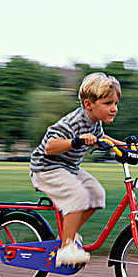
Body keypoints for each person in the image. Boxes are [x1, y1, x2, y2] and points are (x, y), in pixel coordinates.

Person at [30, 72, 124, 266]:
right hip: (46, 168)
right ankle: (67, 247)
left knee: (97, 194)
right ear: (89, 104)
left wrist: (124, 145)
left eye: (115, 103)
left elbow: (103, 139)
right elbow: (50, 146)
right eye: (108, 104)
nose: (114, 109)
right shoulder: (72, 122)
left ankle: (67, 236)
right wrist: (76, 141)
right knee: (78, 195)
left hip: (69, 168)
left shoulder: (95, 123)